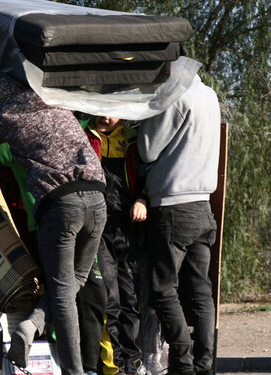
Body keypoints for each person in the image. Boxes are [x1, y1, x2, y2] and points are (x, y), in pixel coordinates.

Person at [0, 69, 107, 375]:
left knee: (60, 289)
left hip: (59, 204)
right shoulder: (55, 101)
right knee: (76, 280)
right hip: (98, 197)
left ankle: (73, 371)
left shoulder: (2, 117)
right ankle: (31, 326)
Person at [137, 75, 220, 375]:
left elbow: (147, 148)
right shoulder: (209, 94)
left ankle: (182, 364)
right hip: (203, 206)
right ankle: (205, 365)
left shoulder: (174, 95)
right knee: (200, 291)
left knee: (162, 289)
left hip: (173, 207)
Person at [85, 116, 147, 375]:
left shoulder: (134, 139)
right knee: (108, 299)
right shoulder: (81, 134)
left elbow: (150, 175)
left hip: (129, 227)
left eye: (111, 112)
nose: (105, 117)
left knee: (131, 299)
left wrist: (143, 199)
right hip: (97, 228)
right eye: (100, 110)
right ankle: (113, 369)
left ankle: (132, 364)